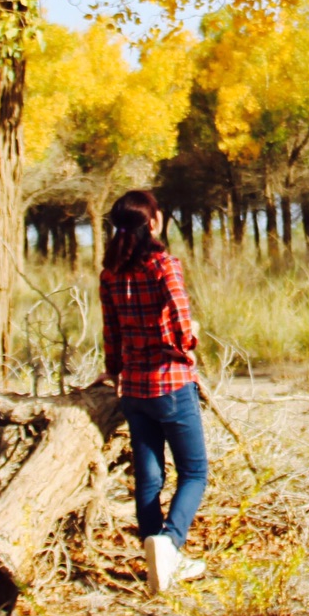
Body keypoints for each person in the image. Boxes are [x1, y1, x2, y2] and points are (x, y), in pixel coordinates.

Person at [95, 188, 208, 594]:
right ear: (155, 222)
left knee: (149, 477)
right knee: (194, 471)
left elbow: (111, 331)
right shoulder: (164, 265)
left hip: (135, 390)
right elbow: (181, 319)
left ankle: (154, 560)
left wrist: (113, 371)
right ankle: (170, 545)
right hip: (172, 384)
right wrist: (188, 341)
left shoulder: (109, 274)